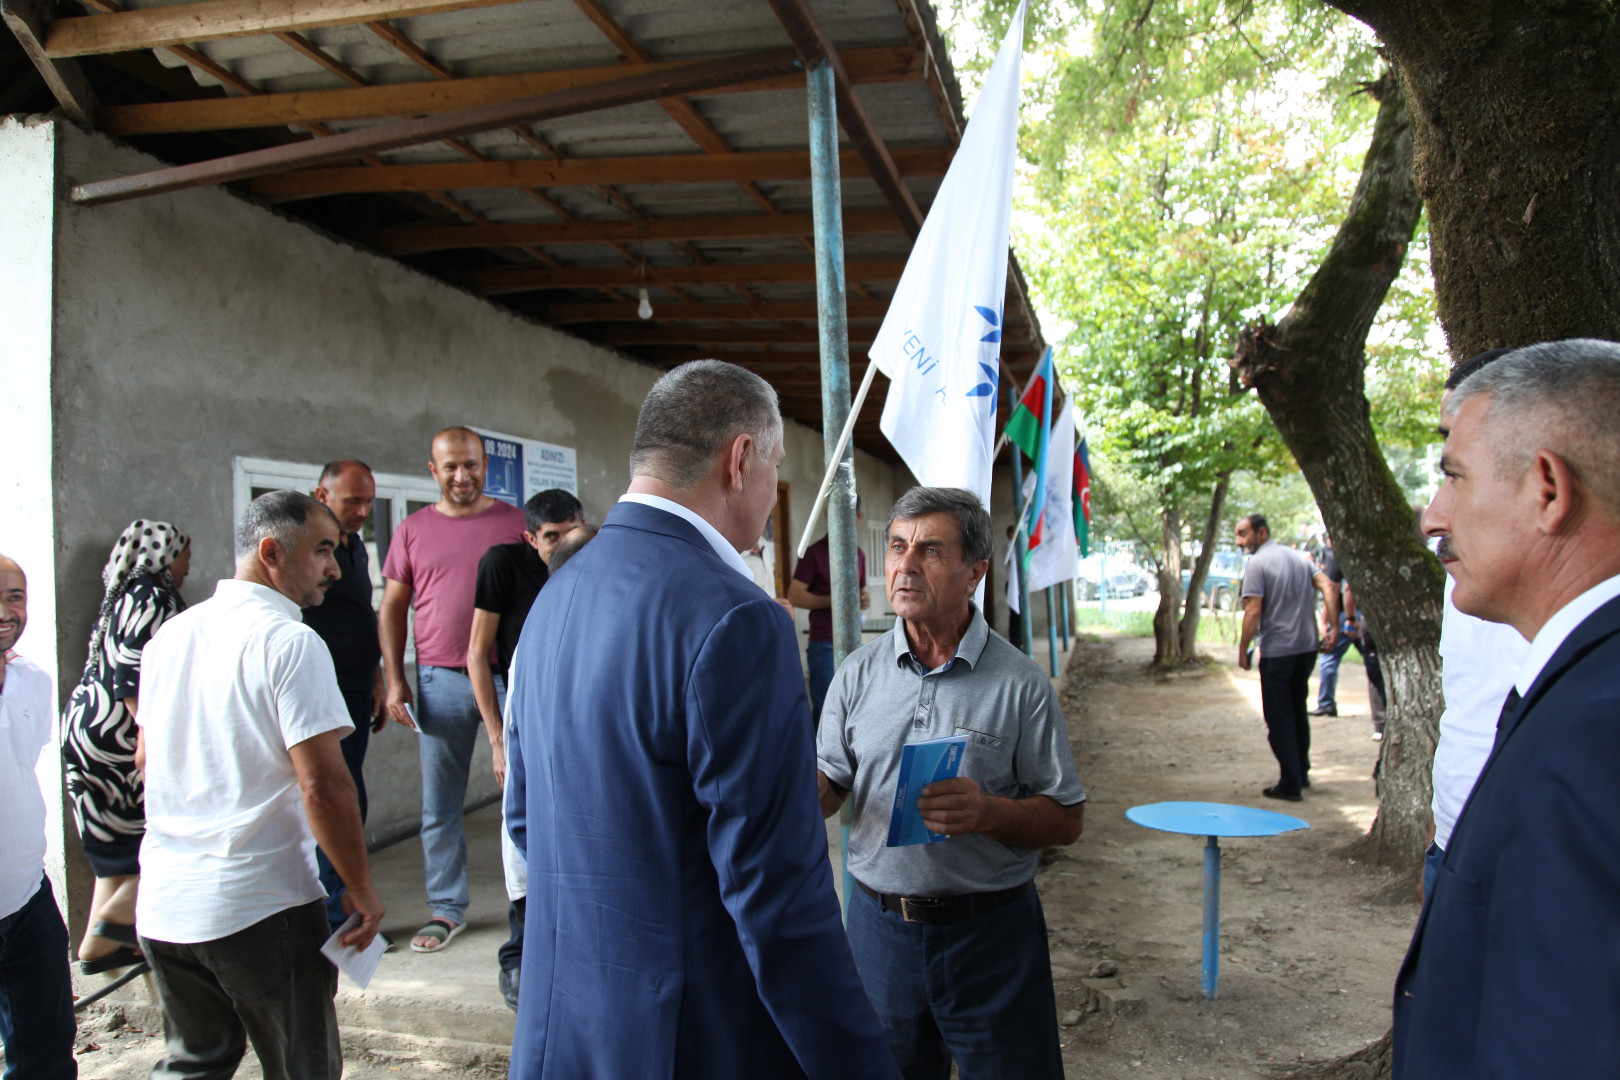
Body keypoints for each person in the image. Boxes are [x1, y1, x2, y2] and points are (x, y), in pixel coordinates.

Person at [504, 360, 899, 1079]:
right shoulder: (737, 618)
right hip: (688, 1039)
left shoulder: (555, 596)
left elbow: (526, 819)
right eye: (775, 463)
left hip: (564, 1031)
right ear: (741, 458)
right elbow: (778, 893)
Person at [1395, 339, 1620, 1077]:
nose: (1433, 517)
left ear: (1548, 489)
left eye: (1453, 478)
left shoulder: (1590, 739)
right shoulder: (1580, 680)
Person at [817, 486, 1086, 1080]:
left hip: (991, 935)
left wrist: (989, 812)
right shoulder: (856, 674)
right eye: (896, 547)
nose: (905, 566)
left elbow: (1066, 819)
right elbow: (831, 781)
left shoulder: (1020, 685)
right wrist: (784, 787)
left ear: (975, 574)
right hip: (878, 934)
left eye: (930, 551)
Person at [135, 491, 383, 1080]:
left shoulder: (171, 636)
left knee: (195, 1065)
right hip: (259, 907)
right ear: (271, 552)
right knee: (303, 1067)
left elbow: (145, 758)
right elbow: (324, 786)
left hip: (166, 907)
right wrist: (360, 888)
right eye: (323, 549)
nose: (333, 567)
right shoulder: (290, 642)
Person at [379, 426, 526, 953]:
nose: (462, 476)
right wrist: (395, 678)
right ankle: (446, 908)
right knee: (440, 805)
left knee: (524, 796)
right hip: (438, 683)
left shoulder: (515, 524)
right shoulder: (412, 530)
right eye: (451, 467)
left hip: (507, 681)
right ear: (433, 471)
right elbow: (393, 607)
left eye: (471, 465)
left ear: (486, 465)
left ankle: (530, 901)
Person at [467, 487, 582, 1010]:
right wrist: (498, 737)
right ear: (530, 538)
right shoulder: (503, 566)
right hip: (524, 703)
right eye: (551, 538)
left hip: (568, 706)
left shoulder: (582, 568)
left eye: (570, 533)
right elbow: (477, 653)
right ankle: (518, 960)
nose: (562, 546)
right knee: (525, 837)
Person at [60, 519, 191, 974]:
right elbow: (131, 668)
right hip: (119, 731)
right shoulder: (151, 595)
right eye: (184, 553)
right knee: (165, 834)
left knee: (115, 847)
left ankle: (103, 945)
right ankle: (112, 931)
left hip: (88, 728)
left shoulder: (122, 595)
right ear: (164, 554)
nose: (188, 565)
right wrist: (149, 730)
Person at [1422, 350, 1528, 902]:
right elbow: (1467, 697)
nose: (1433, 519)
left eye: (1456, 469)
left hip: (1520, 858)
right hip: (1453, 837)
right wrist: (1440, 833)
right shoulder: (1460, 555)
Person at [0, 555, 78, 1078]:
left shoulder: (32, 681)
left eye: (15, 596)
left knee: (47, 1051)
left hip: (27, 898)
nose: (8, 611)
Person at [304, 460, 387, 931]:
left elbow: (362, 613)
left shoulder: (354, 548)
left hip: (355, 692)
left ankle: (344, 906)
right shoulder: (313, 551)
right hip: (318, 697)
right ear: (322, 494)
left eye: (368, 501)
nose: (362, 510)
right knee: (332, 797)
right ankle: (338, 917)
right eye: (352, 500)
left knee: (352, 794)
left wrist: (376, 678)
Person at [1236, 513, 1338, 801]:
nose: (1239, 541)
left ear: (1262, 533)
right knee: (1296, 711)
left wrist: (1243, 648)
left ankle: (1290, 783)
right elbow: (1329, 586)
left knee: (1278, 717)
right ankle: (1301, 772)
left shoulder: (1258, 563)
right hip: (1305, 650)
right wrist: (1333, 628)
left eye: (1243, 534)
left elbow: (1253, 610)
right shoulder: (1298, 559)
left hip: (1278, 652)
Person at [790, 497, 870, 725]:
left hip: (854, 643)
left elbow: (861, 594)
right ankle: (816, 761)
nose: (842, 521)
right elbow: (794, 595)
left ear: (858, 517)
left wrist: (863, 598)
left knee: (854, 710)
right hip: (823, 644)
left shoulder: (859, 555)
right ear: (827, 514)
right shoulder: (813, 553)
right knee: (826, 712)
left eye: (849, 515)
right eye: (837, 514)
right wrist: (838, 601)